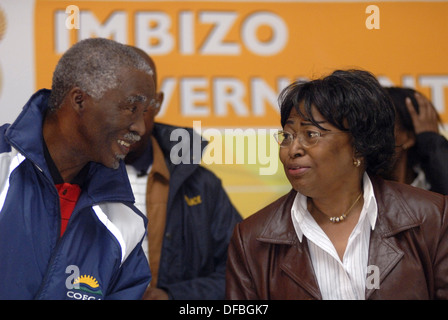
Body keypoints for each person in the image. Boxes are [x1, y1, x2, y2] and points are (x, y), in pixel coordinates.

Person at [225, 69, 448, 300]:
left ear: (360, 145)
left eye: (310, 134)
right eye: (287, 136)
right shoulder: (252, 238)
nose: (293, 149)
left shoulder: (432, 217)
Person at [0, 38, 156, 299]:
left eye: (145, 112)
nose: (140, 127)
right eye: (131, 108)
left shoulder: (125, 222)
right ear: (79, 100)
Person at [124, 47, 242, 300]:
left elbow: (244, 273)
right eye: (117, 104)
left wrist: (171, 296)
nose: (127, 117)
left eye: (138, 104)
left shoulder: (201, 185)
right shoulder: (73, 176)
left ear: (157, 103)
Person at [383, 87, 448, 194]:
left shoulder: (437, 196)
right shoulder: (361, 192)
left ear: (408, 137)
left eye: (382, 125)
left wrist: (431, 142)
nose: (370, 136)